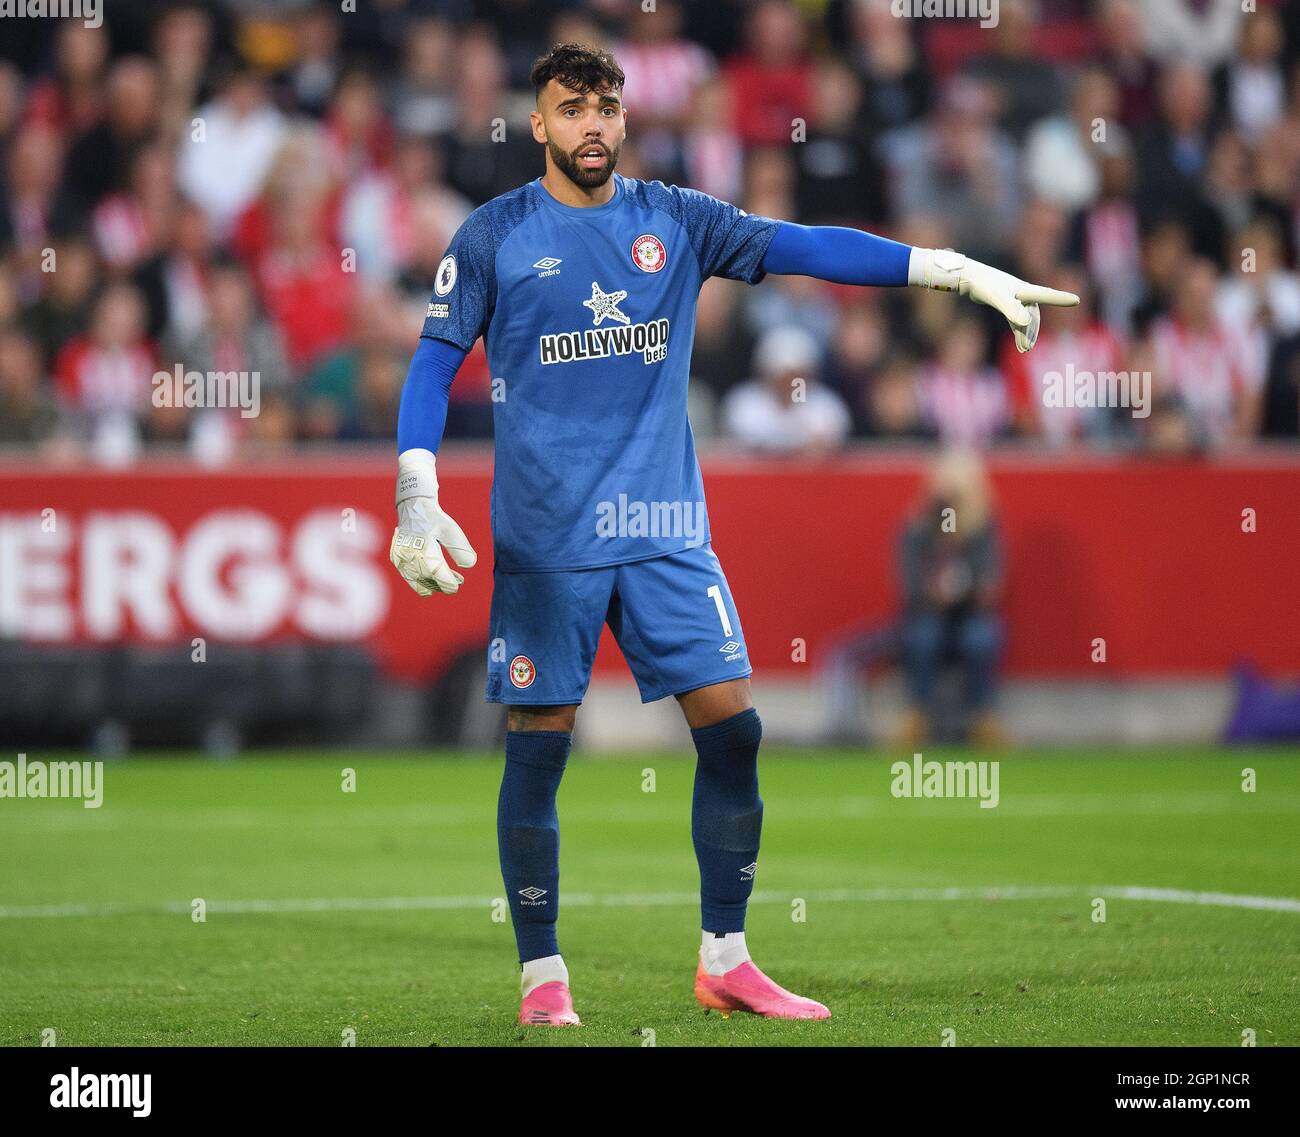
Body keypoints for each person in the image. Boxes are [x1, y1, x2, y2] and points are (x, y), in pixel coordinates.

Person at [388, 42, 1076, 1028]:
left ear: (624, 120)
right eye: (571, 109)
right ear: (537, 124)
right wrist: (415, 491)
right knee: (538, 751)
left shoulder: (675, 218)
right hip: (549, 543)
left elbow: (805, 246)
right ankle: (543, 977)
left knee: (736, 732)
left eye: (606, 107)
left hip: (666, 533)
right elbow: (429, 365)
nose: (592, 125)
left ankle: (726, 958)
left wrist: (948, 270)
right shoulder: (494, 236)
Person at [898, 451, 1005, 747]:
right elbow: (909, 587)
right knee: (922, 637)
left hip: (971, 614)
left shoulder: (983, 529)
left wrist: (965, 591)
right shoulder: (916, 529)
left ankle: (983, 716)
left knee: (982, 638)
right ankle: (917, 715)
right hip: (928, 614)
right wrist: (934, 594)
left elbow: (991, 584)